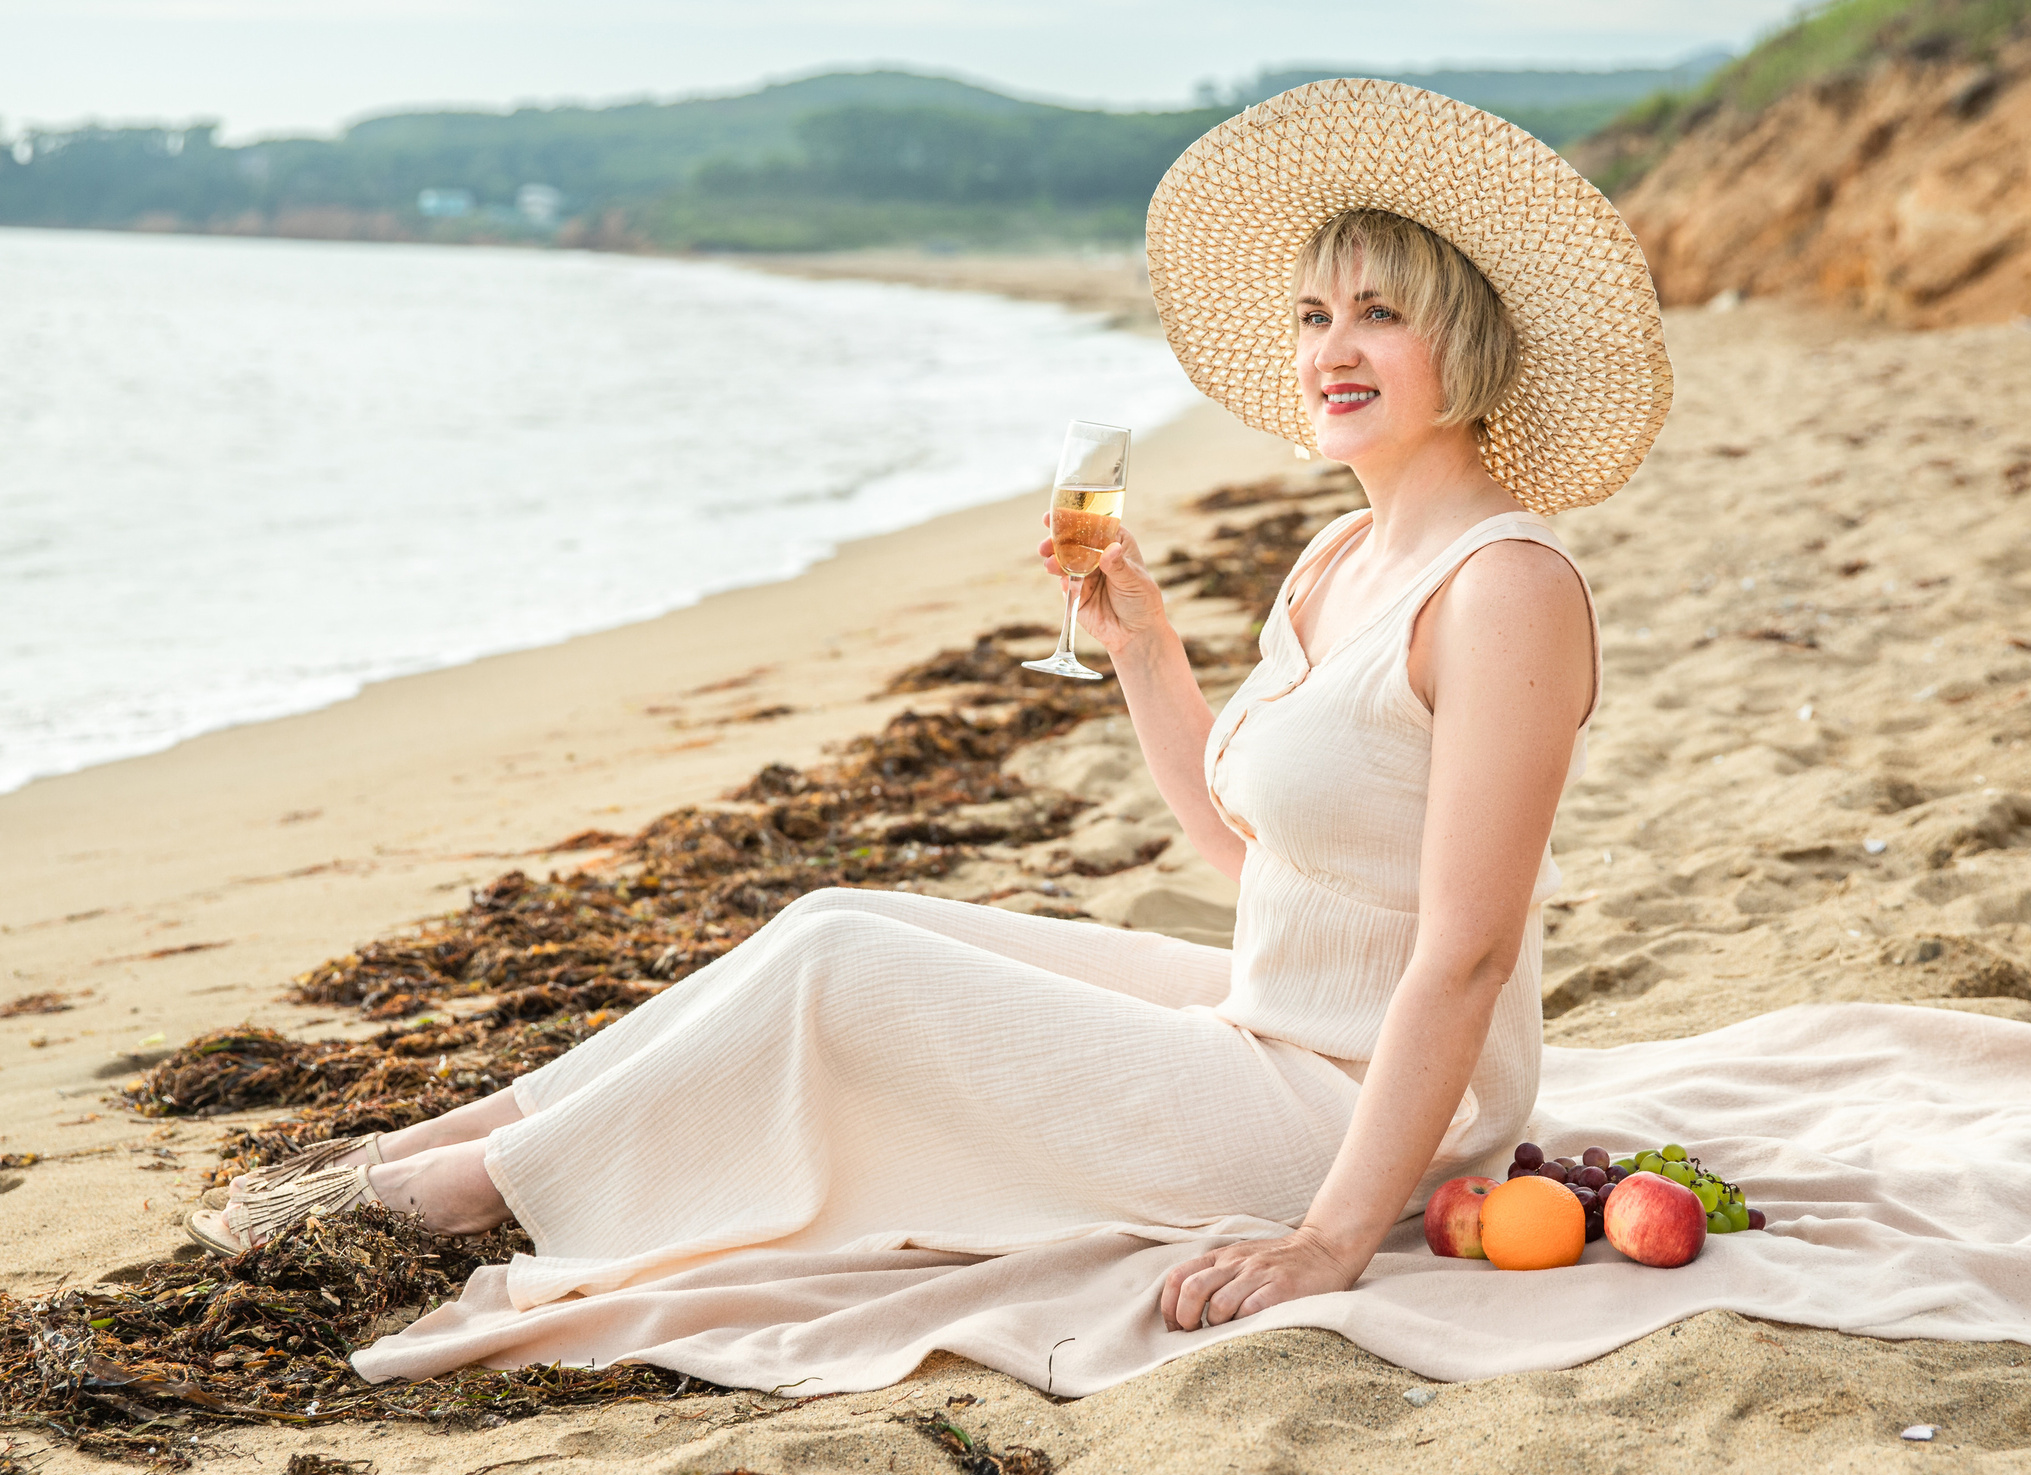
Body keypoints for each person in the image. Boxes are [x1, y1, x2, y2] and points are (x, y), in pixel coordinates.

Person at [191, 80, 1673, 1336]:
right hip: (1272, 1026)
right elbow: (1260, 870)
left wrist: (1334, 1241)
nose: (1331, 349)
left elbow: (1469, 954)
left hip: (1364, 1123)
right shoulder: (1343, 551)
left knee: (845, 968)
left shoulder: (1506, 590)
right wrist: (1148, 651)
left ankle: (473, 1197)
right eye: (1312, 313)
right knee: (840, 912)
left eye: (1380, 314)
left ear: (1462, 339)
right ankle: (457, 1139)